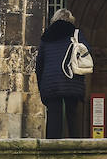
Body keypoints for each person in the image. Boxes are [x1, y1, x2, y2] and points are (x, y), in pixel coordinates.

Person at [35, 8, 89, 139]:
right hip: (71, 79)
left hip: (51, 82)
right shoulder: (76, 34)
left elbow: (39, 64)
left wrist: (41, 87)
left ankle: (52, 150)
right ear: (71, 20)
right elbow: (86, 53)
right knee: (73, 114)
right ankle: (75, 146)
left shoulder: (47, 36)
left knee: (54, 115)